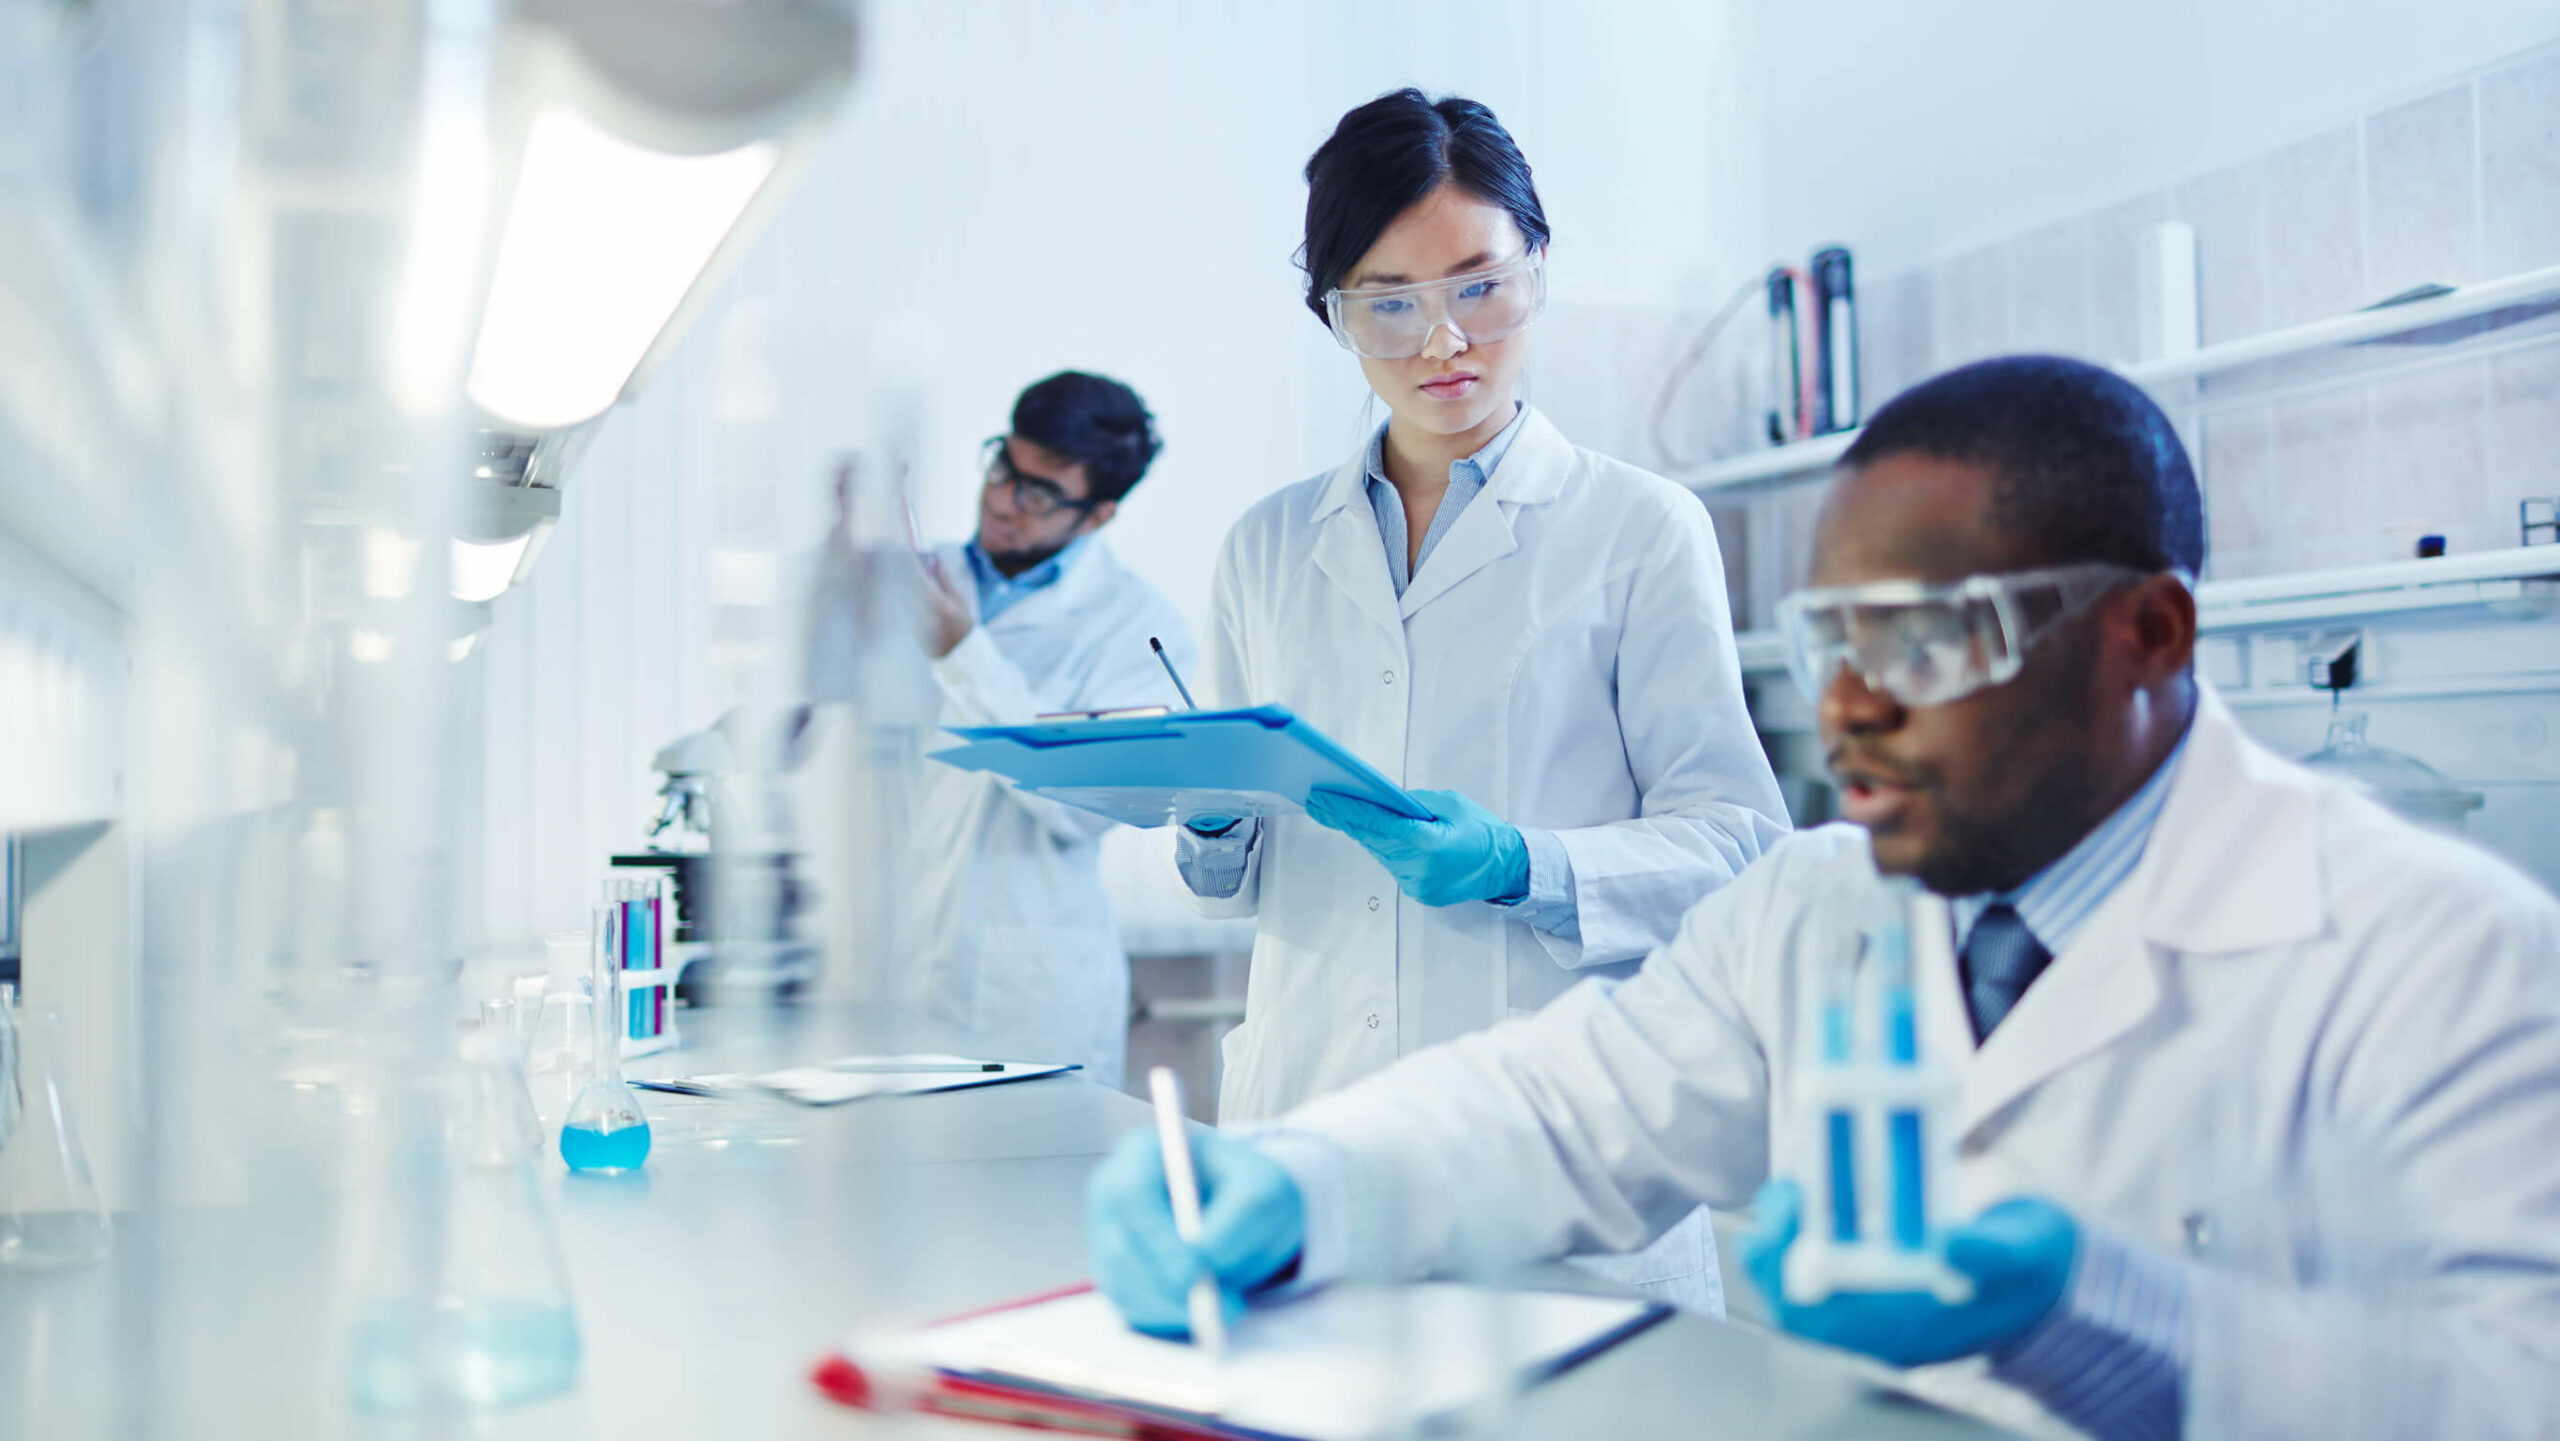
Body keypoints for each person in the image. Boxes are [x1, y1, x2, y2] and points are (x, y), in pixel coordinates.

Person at [1092, 356, 2560, 1438]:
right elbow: (1555, 1108)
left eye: (1919, 637)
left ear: (2148, 633)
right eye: (1827, 638)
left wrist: (2108, 1319)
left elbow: (2522, 1388)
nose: (1848, 704)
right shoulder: (1820, 905)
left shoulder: (2440, 953)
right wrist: (1299, 1180)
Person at [1169, 88, 1789, 1313]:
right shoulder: (1263, 545)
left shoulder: (1639, 528)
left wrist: (1523, 863)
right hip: (1308, 1133)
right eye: (1385, 304)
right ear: (1332, 317)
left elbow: (1738, 840)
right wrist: (1203, 820)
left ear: (1537, 270)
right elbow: (1225, 875)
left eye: (1477, 285)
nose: (1441, 340)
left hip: (1556, 1163)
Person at [901, 371, 1194, 1087]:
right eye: (1003, 468)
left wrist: (963, 654)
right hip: (890, 975)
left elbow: (1079, 803)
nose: (1003, 502)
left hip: (1020, 998)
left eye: (1037, 494)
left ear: (1097, 515)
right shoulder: (912, 581)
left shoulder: (1140, 630)